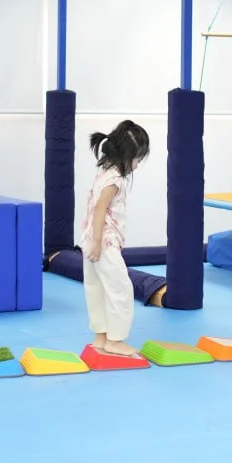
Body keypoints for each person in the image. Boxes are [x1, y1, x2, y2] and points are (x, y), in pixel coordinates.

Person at [81, 119, 151, 357]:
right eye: (137, 159)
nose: (137, 166)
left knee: (96, 287)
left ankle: (101, 337)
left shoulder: (104, 172)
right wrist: (99, 243)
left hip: (90, 239)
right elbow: (100, 208)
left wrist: (93, 241)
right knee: (121, 288)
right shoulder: (116, 180)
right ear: (127, 156)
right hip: (104, 242)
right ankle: (116, 340)